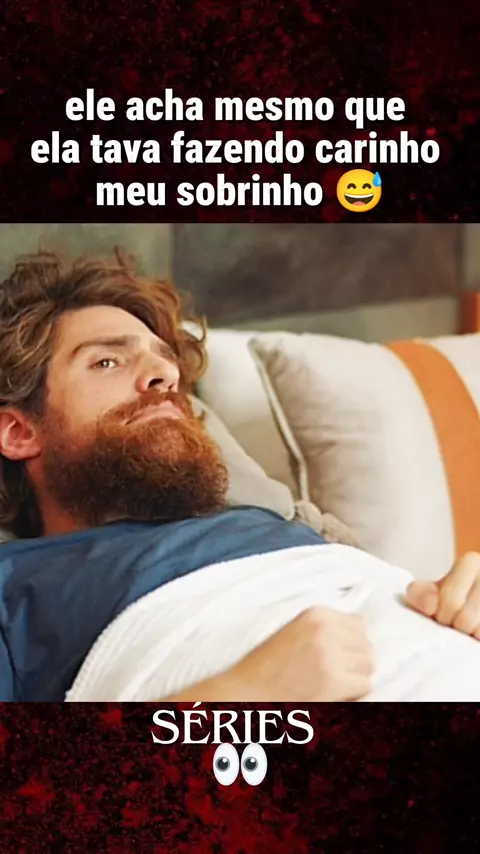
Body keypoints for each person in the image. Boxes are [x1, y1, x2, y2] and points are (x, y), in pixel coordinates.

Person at [0, 248, 479, 703]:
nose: (164, 376)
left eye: (165, 359)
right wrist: (245, 694)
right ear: (19, 431)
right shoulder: (17, 589)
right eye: (107, 361)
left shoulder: (281, 523)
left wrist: (459, 606)